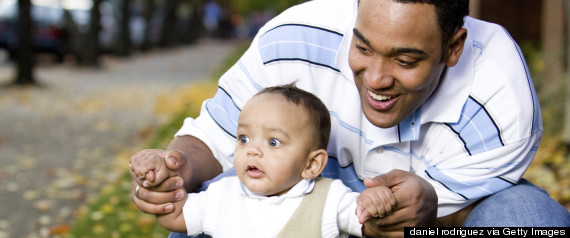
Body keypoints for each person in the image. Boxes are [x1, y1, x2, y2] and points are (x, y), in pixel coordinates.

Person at [130, 0, 570, 237]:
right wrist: (176, 169)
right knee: (222, 197)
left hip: (432, 216)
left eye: (406, 59)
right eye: (362, 48)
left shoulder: (500, 104)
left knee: (530, 219)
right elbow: (213, 137)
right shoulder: (294, 39)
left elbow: (461, 215)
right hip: (299, 187)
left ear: (453, 48)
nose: (376, 79)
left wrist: (429, 210)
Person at [131, 84, 396, 237]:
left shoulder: (329, 199)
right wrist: (159, 174)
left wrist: (375, 205)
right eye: (244, 138)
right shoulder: (222, 196)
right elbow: (175, 216)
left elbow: (371, 225)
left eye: (273, 142)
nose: (252, 151)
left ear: (312, 165)